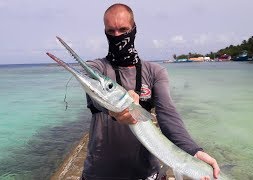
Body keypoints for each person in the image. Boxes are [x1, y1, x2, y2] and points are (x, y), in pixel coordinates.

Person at [82, 3, 220, 180]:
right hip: (99, 174)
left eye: (123, 29)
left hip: (146, 174)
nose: (117, 36)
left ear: (134, 29)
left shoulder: (155, 72)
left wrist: (193, 151)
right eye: (110, 31)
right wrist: (114, 110)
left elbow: (168, 116)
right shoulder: (97, 68)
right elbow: (94, 99)